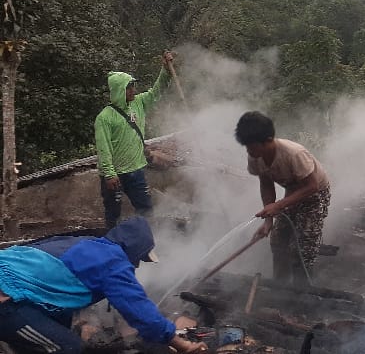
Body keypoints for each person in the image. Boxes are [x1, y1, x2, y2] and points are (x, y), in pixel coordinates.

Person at [0, 217, 208, 354]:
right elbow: (140, 312)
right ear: (134, 251)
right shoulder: (112, 262)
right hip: (5, 299)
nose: (136, 265)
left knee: (39, 344)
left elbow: (52, 295)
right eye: (139, 259)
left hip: (10, 289)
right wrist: (181, 344)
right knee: (67, 347)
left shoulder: (89, 245)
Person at [235, 111, 331, 286]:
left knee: (302, 249)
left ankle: (303, 293)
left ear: (268, 140)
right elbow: (266, 184)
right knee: (278, 241)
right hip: (292, 193)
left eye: (252, 146)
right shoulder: (256, 158)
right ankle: (280, 288)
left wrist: (278, 205)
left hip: (315, 196)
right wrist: (268, 221)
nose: (249, 150)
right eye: (246, 146)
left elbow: (312, 186)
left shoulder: (293, 154)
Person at [94, 51, 175, 229]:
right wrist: (109, 173)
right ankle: (114, 247)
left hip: (136, 171)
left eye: (133, 86)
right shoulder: (104, 118)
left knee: (146, 210)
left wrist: (165, 70)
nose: (133, 90)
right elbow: (103, 148)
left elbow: (156, 92)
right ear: (118, 90)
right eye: (129, 87)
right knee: (113, 213)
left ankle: (147, 244)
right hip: (115, 175)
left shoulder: (138, 103)